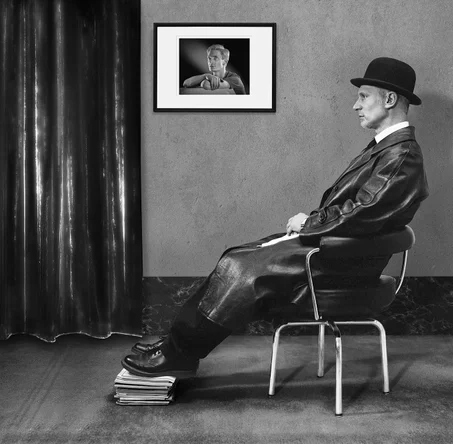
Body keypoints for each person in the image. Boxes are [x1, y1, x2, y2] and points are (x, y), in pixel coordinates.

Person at [122, 57, 429, 377]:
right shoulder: (386, 149)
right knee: (236, 257)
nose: (356, 105)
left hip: (343, 261)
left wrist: (308, 223)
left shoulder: (402, 155)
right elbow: (361, 208)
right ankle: (175, 344)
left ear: (389, 99)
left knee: (242, 267)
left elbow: (364, 211)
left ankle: (180, 354)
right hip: (333, 248)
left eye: (363, 96)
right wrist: (311, 225)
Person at [182, 44, 246, 95]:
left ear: (224, 62)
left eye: (215, 58)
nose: (211, 62)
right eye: (209, 59)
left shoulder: (235, 79)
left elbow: (206, 85)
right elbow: (186, 83)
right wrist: (205, 76)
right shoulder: (209, 77)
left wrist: (202, 80)